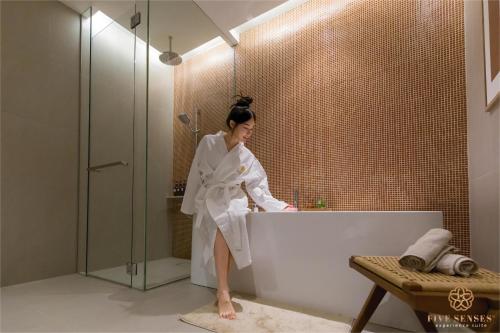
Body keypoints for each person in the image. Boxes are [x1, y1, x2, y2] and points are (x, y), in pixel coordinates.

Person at [180, 95, 297, 320]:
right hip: (213, 196)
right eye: (246, 128)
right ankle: (223, 291)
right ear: (232, 124)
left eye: (252, 129)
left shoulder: (245, 155)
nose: (249, 134)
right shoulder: (208, 142)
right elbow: (195, 174)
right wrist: (190, 206)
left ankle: (223, 290)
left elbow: (257, 186)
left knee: (233, 219)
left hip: (233, 198)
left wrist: (279, 206)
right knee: (224, 224)